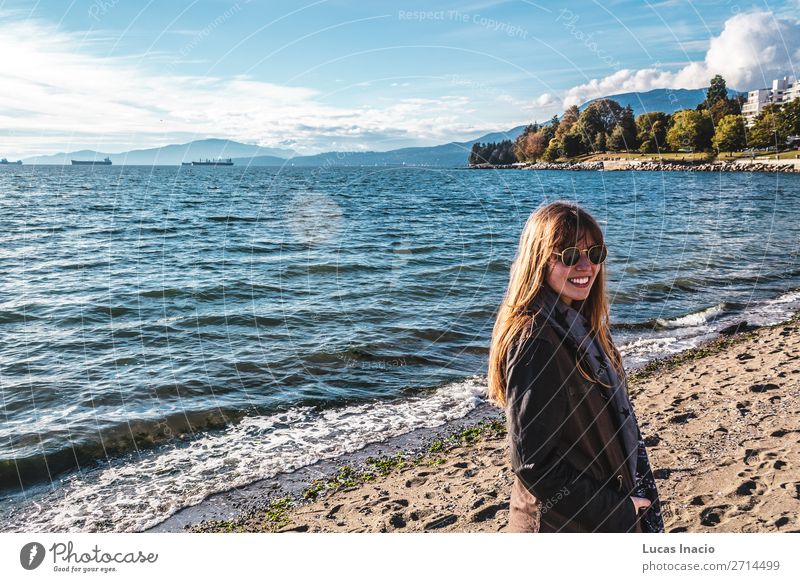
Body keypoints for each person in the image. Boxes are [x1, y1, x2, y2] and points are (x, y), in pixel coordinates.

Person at [487, 201, 665, 533]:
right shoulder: (537, 340)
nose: (586, 266)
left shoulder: (583, 327)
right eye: (569, 256)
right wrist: (618, 509)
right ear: (538, 260)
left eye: (595, 254)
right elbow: (532, 464)